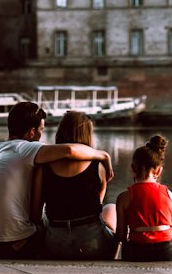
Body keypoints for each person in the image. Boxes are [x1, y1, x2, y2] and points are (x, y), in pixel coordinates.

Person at [0, 100, 113, 258]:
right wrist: (103, 155)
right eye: (41, 130)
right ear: (32, 132)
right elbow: (69, 150)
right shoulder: (27, 149)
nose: (41, 136)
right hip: (15, 245)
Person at [39, 110, 117, 259]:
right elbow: (97, 207)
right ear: (87, 134)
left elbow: (36, 211)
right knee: (111, 208)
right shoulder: (98, 166)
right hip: (91, 244)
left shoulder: (44, 165)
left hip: (54, 244)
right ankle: (110, 260)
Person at [115, 134, 172, 262]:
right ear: (159, 171)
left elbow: (121, 236)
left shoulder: (123, 197)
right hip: (165, 250)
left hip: (137, 250)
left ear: (133, 168)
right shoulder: (169, 195)